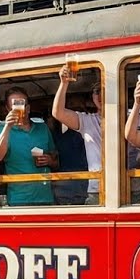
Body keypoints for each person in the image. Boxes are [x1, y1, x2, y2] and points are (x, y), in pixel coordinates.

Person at [0, 86, 59, 207]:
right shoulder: (3, 131)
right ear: (8, 109)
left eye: (22, 104)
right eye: (15, 105)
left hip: (46, 197)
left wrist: (50, 160)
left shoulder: (42, 128)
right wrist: (8, 126)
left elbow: (56, 160)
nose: (19, 109)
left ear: (28, 108)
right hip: (19, 200)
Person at [51, 65, 103, 205]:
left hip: (131, 186)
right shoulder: (88, 120)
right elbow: (58, 112)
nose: (101, 95)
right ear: (92, 97)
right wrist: (64, 83)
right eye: (97, 91)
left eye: (105, 90)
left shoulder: (129, 118)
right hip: (97, 189)